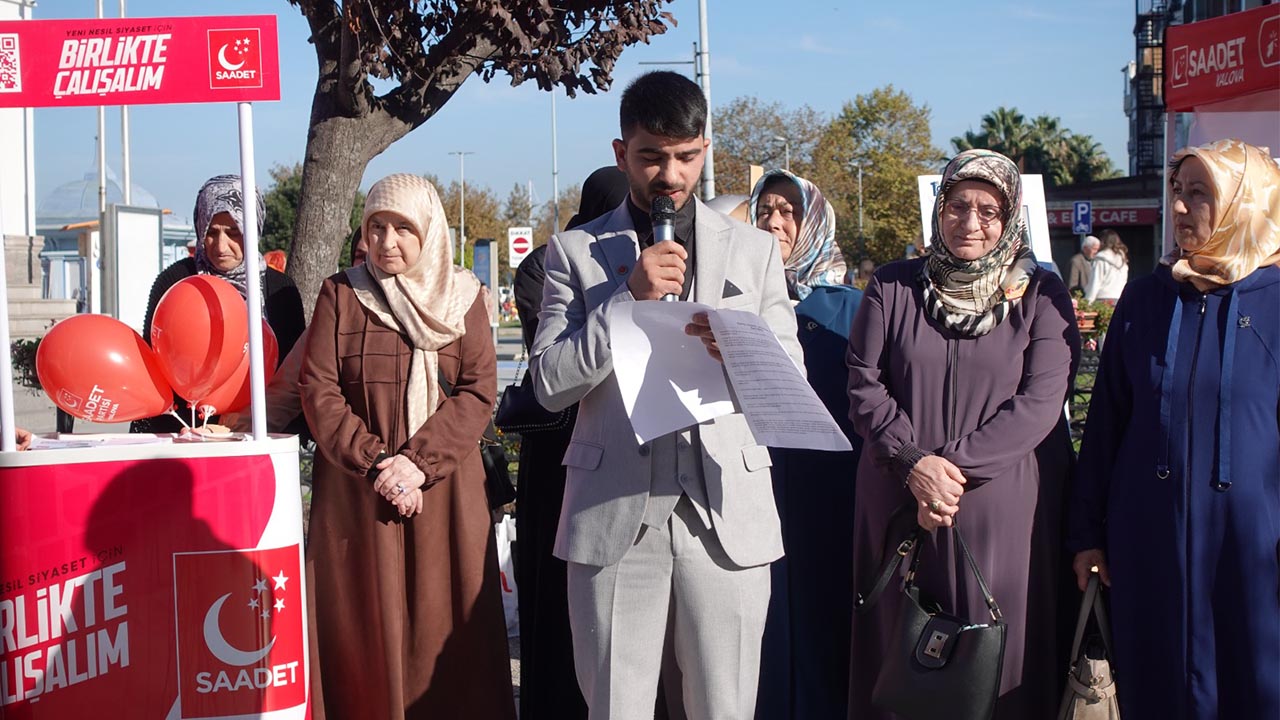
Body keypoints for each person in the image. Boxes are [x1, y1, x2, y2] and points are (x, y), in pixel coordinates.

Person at [529, 70, 802, 720]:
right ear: (622, 153)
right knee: (616, 708)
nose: (670, 175)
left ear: (705, 149)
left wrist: (737, 354)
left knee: (725, 707)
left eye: (685, 156)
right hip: (613, 517)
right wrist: (626, 303)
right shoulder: (573, 253)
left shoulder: (758, 252)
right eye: (652, 156)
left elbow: (790, 380)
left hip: (728, 517)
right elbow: (548, 383)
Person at [845, 149, 1079, 719]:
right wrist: (912, 465)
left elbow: (1041, 403)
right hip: (901, 502)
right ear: (938, 208)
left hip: (1000, 508)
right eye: (957, 206)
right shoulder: (893, 287)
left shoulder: (1041, 297)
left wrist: (948, 472)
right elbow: (861, 381)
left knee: (994, 663)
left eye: (989, 210)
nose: (970, 223)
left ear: (1011, 217)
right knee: (904, 664)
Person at [1070, 138, 1280, 718]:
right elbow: (1106, 425)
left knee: (1254, 684)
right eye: (1177, 193)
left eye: (1200, 195)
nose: (1181, 209)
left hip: (1253, 550)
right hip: (1147, 544)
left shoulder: (1277, 301)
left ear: (1245, 202)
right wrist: (1086, 533)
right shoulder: (1145, 299)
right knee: (1154, 687)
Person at [299, 173, 514, 720]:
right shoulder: (342, 294)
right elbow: (319, 389)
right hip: (358, 496)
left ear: (431, 233)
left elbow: (477, 390)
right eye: (376, 227)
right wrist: (376, 464)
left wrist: (417, 466)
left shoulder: (463, 298)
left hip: (444, 494)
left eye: (402, 229)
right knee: (362, 629)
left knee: (447, 627)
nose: (387, 242)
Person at [512, 165, 628, 720]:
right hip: (559, 445)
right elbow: (554, 354)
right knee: (557, 587)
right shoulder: (550, 261)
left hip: (609, 441)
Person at [748, 169, 862, 719]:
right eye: (766, 210)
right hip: (755, 486)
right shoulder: (733, 299)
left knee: (825, 617)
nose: (774, 222)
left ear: (813, 220)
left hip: (831, 494)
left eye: (788, 212)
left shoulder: (853, 309)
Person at [132, 175, 305, 433]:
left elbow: (293, 376)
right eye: (211, 233)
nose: (221, 246)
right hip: (182, 434)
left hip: (259, 435)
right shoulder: (176, 281)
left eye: (233, 232)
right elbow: (153, 362)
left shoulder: (281, 291)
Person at [1084, 229, 1128, 302]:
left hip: (1102, 299)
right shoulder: (1123, 259)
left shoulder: (1100, 259)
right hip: (1119, 297)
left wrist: (1088, 301)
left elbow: (1095, 281)